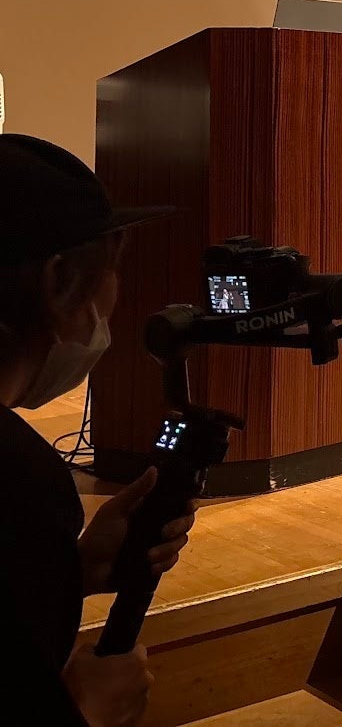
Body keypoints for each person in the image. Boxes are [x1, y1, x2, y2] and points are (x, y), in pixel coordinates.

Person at [1, 135, 196, 727]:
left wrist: (69, 571)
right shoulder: (21, 485)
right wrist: (87, 712)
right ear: (61, 282)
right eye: (112, 270)